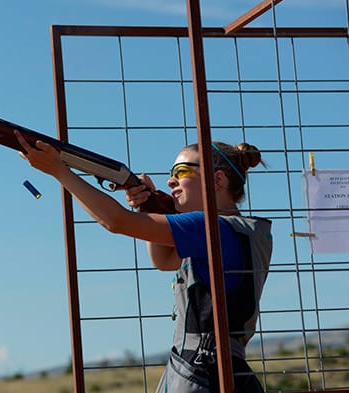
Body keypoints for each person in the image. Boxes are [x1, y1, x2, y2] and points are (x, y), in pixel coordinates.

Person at [14, 130, 273, 393]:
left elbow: (116, 221)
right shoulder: (247, 231)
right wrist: (149, 206)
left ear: (217, 179)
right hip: (227, 371)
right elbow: (164, 260)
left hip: (201, 375)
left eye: (182, 172)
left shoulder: (210, 228)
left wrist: (59, 171)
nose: (171, 181)